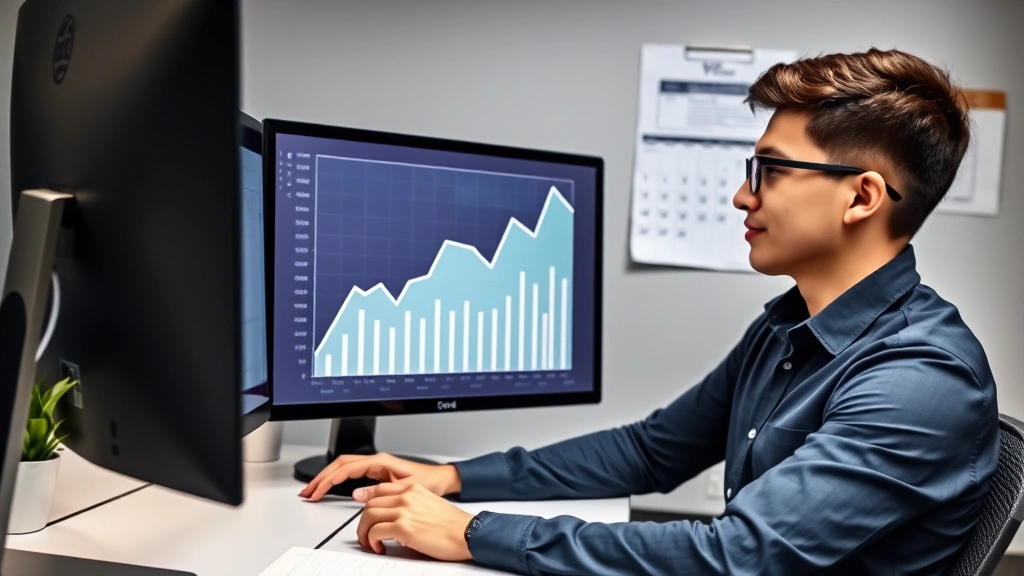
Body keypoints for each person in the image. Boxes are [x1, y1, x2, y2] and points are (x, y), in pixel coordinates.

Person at [299, 47, 1000, 575]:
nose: (741, 197)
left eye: (768, 171)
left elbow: (737, 558)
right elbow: (651, 450)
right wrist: (452, 479)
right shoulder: (788, 327)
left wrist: (472, 532)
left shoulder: (921, 380)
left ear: (861, 197)